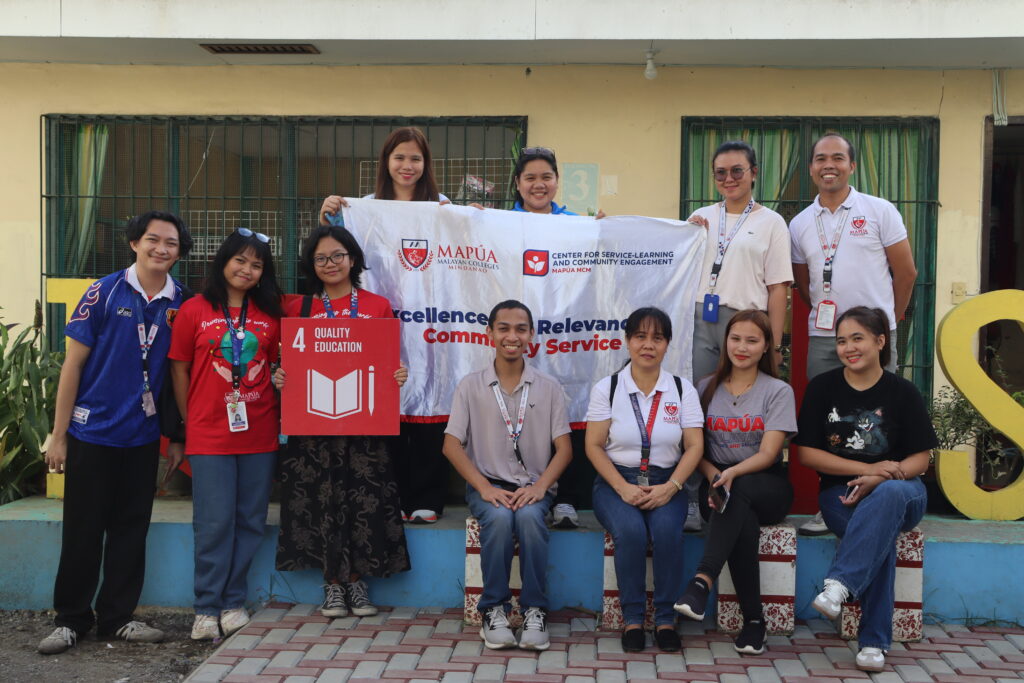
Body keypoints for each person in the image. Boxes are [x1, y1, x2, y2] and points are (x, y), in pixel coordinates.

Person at [37, 211, 192, 655]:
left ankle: (118, 618)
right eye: (153, 240)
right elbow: (73, 365)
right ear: (134, 243)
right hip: (92, 434)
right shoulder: (102, 292)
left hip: (142, 438)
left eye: (172, 244)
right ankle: (70, 620)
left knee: (130, 530)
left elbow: (180, 375)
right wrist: (59, 434)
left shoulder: (181, 301)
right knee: (83, 530)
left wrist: (176, 436)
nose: (161, 249)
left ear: (179, 252)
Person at [273, 224, 410, 618]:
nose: (330, 264)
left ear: (352, 259)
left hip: (364, 424)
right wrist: (278, 376)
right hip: (313, 425)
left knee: (363, 501)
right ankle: (332, 585)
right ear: (310, 265)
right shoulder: (298, 308)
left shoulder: (377, 305)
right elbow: (284, 362)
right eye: (320, 258)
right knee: (321, 501)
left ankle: (358, 583)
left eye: (337, 256)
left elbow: (388, 363)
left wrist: (397, 375)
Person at [789, 132, 919, 536]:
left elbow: (907, 272)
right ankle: (832, 504)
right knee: (831, 421)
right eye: (820, 159)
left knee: (880, 418)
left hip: (874, 337)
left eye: (838, 158)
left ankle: (882, 495)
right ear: (811, 168)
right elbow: (803, 281)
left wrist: (885, 325)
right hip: (825, 336)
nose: (829, 165)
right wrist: (836, 327)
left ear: (852, 165)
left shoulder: (879, 210)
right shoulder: (799, 223)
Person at [319, 126, 449, 525]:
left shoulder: (443, 206)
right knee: (384, 400)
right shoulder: (366, 207)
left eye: (415, 158)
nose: (407, 166)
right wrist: (326, 216)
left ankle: (426, 496)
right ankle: (390, 494)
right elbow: (333, 250)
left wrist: (474, 221)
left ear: (425, 164)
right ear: (386, 162)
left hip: (430, 322)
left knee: (429, 395)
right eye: (399, 157)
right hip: (378, 319)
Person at [794, 306, 936, 673]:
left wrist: (882, 478)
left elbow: (921, 460)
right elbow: (808, 454)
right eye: (842, 341)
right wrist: (867, 469)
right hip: (841, 495)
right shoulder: (823, 387)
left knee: (886, 499)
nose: (848, 348)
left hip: (904, 490)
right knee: (879, 535)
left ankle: (839, 585)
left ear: (880, 341)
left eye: (857, 338)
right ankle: (872, 644)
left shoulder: (902, 392)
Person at [169, 228, 283, 641]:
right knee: (214, 523)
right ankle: (205, 608)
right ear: (223, 261)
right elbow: (178, 368)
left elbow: (276, 369)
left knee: (250, 521)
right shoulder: (194, 310)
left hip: (260, 433)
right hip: (209, 435)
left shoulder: (270, 314)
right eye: (240, 260)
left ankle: (233, 601)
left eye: (257, 264)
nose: (247, 269)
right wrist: (190, 419)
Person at [442, 300, 572, 651]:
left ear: (531, 335)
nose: (511, 336)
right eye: (503, 328)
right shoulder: (470, 385)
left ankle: (534, 610)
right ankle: (493, 610)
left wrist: (541, 487)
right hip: (489, 487)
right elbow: (451, 445)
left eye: (520, 329)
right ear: (489, 334)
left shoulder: (548, 387)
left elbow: (565, 449)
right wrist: (483, 488)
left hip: (536, 487)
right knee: (499, 520)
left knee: (530, 518)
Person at [672, 310, 795, 656]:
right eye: (736, 338)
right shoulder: (704, 388)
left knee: (737, 492)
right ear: (725, 342)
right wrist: (715, 475)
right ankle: (755, 623)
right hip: (716, 484)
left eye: (752, 340)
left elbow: (770, 453)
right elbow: (694, 447)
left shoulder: (778, 391)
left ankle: (701, 581)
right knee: (742, 521)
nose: (742, 347)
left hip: (766, 485)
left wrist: (731, 476)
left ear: (766, 346)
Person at [684, 140, 793, 533]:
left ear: (753, 174)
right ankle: (694, 498)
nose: (728, 179)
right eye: (720, 173)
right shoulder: (700, 216)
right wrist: (685, 236)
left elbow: (779, 287)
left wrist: (775, 343)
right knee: (696, 407)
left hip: (745, 324)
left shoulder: (771, 222)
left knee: (744, 403)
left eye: (737, 171)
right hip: (699, 320)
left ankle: (742, 482)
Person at [585, 307, 704, 653]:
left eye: (657, 337)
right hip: (615, 481)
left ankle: (666, 619)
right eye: (640, 336)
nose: (647, 345)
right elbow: (593, 446)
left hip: (668, 479)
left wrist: (673, 487)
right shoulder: (607, 389)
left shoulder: (682, 391)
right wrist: (622, 487)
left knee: (668, 532)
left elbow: (695, 446)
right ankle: (633, 619)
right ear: (627, 341)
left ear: (667, 344)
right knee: (632, 532)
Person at [502, 146, 604, 527]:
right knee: (521, 413)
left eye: (546, 176)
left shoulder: (578, 225)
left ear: (557, 181)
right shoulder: (498, 223)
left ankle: (570, 499)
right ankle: (525, 490)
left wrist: (604, 232)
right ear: (518, 183)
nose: (538, 184)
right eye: (530, 178)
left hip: (567, 338)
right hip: (518, 337)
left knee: (572, 409)